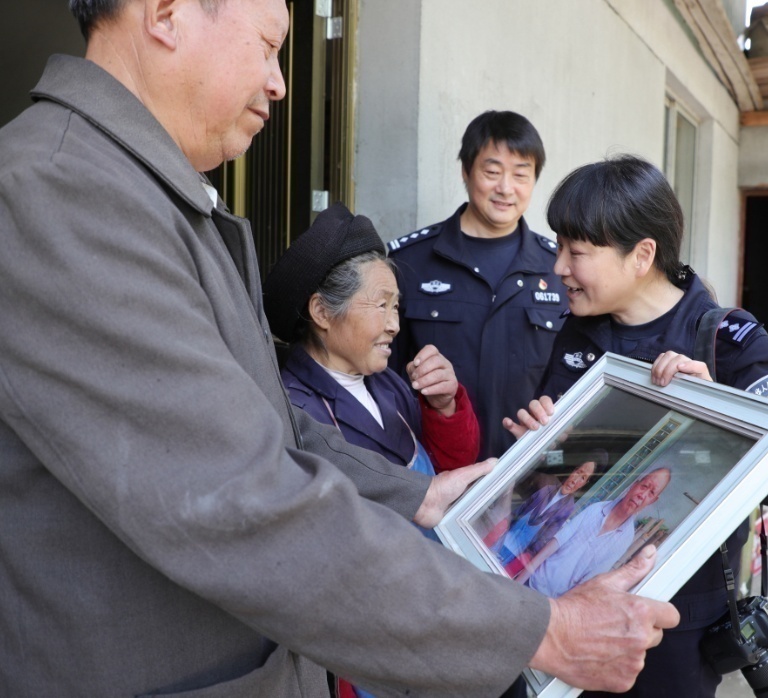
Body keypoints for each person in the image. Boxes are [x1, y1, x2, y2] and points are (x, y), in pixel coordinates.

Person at [0, 3, 680, 697]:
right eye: (267, 47)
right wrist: (542, 631)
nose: (279, 83)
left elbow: (257, 420)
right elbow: (237, 495)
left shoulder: (151, 197)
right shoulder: (62, 192)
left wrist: (418, 495)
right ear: (168, 14)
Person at [503, 155, 768, 698]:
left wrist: (717, 408)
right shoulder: (578, 334)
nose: (559, 268)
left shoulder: (730, 340)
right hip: (572, 608)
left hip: (675, 626)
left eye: (576, 252)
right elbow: (553, 470)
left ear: (642, 254)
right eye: (558, 248)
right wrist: (539, 443)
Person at [388, 110, 569, 460]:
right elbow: (386, 378)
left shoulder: (558, 269)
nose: (505, 188)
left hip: (526, 471)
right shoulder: (410, 261)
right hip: (435, 470)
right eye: (492, 172)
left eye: (521, 174)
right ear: (466, 171)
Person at [263, 202, 480, 482]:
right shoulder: (295, 410)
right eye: (381, 305)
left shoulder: (388, 383)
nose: (395, 326)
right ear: (322, 312)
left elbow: (451, 471)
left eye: (395, 307)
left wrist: (444, 406)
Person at [519, 469, 672, 599]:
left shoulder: (625, 538)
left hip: (553, 603)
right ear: (634, 485)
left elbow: (588, 583)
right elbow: (551, 546)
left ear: (652, 501)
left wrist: (559, 611)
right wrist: (518, 583)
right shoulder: (595, 510)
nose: (642, 495)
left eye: (651, 493)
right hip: (531, 581)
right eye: (644, 486)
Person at [490, 451, 608, 575]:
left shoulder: (568, 508)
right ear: (573, 470)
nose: (575, 481)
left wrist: (521, 560)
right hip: (500, 537)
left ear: (585, 484)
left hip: (515, 555)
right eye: (578, 472)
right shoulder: (547, 482)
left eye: (583, 478)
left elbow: (543, 540)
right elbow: (516, 508)